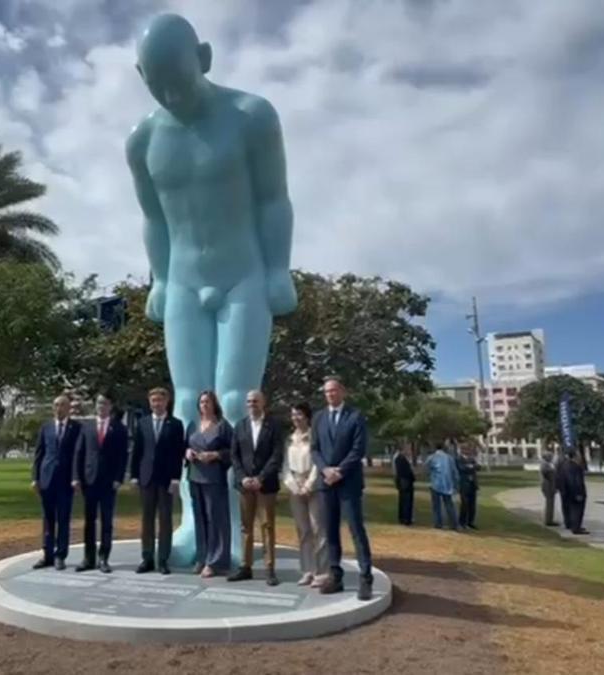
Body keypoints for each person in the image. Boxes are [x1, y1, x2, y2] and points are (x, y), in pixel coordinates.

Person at [127, 13, 298, 564]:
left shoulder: (251, 116)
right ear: (141, 76)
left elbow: (274, 199)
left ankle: (225, 524)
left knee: (230, 397)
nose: (172, 94)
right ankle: (192, 526)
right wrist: (157, 278)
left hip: (242, 274)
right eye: (158, 85)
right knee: (183, 402)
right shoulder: (144, 140)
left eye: (179, 78)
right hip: (182, 281)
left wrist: (278, 269)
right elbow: (153, 219)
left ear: (203, 57)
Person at [310, 378, 374, 600]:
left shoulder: (355, 417)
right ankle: (335, 575)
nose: (330, 394)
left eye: (334, 390)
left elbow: (358, 449)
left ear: (343, 392)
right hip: (326, 484)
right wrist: (326, 470)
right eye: (327, 391)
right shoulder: (318, 418)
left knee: (356, 530)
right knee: (330, 531)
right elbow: (315, 449)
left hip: (348, 482)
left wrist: (340, 471)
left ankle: (366, 577)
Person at [229, 390, 284, 586]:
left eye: (255, 401)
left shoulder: (274, 425)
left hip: (265, 485)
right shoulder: (240, 425)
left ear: (263, 403)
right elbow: (234, 455)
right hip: (245, 486)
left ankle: (270, 568)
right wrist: (243, 478)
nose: (252, 404)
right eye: (249, 401)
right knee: (246, 527)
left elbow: (277, 455)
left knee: (267, 526)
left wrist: (260, 477)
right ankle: (246, 567)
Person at [130, 387, 185, 575]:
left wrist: (176, 478)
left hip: (166, 479)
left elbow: (179, 454)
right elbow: (137, 451)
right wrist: (134, 475)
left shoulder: (176, 424)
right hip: (146, 478)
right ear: (149, 402)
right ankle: (147, 558)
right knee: (147, 519)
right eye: (153, 400)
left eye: (160, 400)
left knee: (165, 519)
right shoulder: (143, 423)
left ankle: (163, 559)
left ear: (167, 401)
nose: (156, 404)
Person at [73, 394, 129, 573]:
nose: (101, 406)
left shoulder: (119, 428)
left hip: (108, 482)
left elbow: (123, 456)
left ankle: (103, 557)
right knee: (89, 521)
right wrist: (76, 477)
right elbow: (79, 453)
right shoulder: (87, 427)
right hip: (89, 480)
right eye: (98, 403)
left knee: (106, 522)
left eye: (104, 403)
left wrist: (118, 479)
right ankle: (88, 558)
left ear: (110, 406)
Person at [185, 391, 233, 578]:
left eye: (208, 401)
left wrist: (215, 455)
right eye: (202, 402)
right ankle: (202, 557)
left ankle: (215, 561)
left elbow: (233, 451)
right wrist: (187, 453)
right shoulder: (193, 425)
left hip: (214, 478)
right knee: (200, 518)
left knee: (215, 519)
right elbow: (185, 446)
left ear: (214, 404)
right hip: (194, 476)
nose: (204, 405)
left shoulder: (222, 426)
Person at [31, 395, 81, 571]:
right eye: (56, 405)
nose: (59, 408)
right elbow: (39, 454)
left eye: (63, 405)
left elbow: (78, 455)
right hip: (47, 480)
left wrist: (76, 477)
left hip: (66, 481)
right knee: (47, 519)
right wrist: (35, 478)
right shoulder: (46, 427)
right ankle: (48, 555)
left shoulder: (77, 428)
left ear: (69, 408)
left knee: (63, 519)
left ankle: (61, 555)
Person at [281, 402, 327, 586]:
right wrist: (294, 486)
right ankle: (307, 570)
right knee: (303, 532)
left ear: (307, 417)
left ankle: (321, 572)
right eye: (293, 414)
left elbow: (318, 462)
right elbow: (285, 467)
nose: (296, 418)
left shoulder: (315, 437)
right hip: (296, 487)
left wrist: (308, 485)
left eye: (299, 414)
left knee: (318, 529)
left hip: (313, 487)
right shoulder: (289, 439)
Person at [426, 445, 460, 530]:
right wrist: (456, 484)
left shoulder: (431, 457)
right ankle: (454, 524)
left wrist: (430, 477)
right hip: (447, 484)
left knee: (436, 506)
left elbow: (426, 469)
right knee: (449, 505)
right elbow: (455, 472)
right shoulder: (450, 458)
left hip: (436, 484)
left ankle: (438, 524)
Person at [556, 450, 589, 534]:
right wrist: (578, 493)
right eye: (579, 455)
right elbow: (575, 481)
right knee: (577, 510)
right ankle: (576, 528)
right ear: (575, 456)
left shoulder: (564, 465)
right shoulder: (575, 467)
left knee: (567, 508)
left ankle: (569, 524)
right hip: (574, 492)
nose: (580, 457)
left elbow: (559, 477)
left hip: (565, 491)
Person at [457, 446, 480, 530]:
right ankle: (462, 522)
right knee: (464, 504)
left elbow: (478, 467)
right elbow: (461, 468)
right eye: (465, 449)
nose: (467, 451)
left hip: (472, 484)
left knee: (472, 505)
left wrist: (470, 466)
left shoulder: (472, 459)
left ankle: (470, 522)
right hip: (464, 485)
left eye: (468, 449)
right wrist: (471, 467)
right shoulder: (459, 459)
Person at [393, 446, 415, 526]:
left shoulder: (398, 459)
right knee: (407, 501)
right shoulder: (401, 459)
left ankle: (402, 518)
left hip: (401, 482)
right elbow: (406, 472)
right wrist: (413, 477)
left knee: (402, 501)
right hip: (406, 482)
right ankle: (406, 519)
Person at [539, 451, 559, 526]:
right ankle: (548, 521)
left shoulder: (547, 464)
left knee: (550, 504)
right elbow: (548, 474)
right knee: (549, 504)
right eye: (550, 456)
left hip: (549, 486)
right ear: (546, 457)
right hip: (548, 486)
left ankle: (549, 519)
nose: (552, 458)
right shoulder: (545, 464)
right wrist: (554, 469)